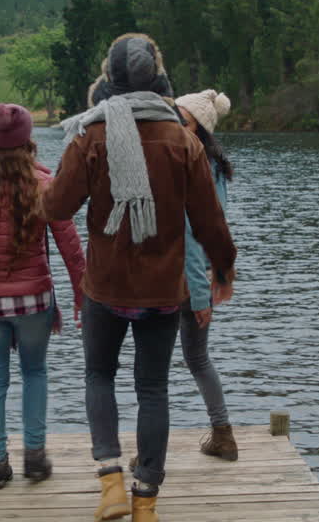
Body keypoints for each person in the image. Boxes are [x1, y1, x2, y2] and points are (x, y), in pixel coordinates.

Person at [44, 34, 237, 522]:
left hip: (106, 286)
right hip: (162, 290)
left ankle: (110, 482)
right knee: (152, 388)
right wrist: (223, 269)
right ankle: (145, 502)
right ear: (156, 78)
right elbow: (211, 221)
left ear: (110, 79)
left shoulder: (91, 136)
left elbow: (57, 207)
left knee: (98, 376)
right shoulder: (182, 139)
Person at [0, 103, 87, 490]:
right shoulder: (43, 184)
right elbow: (70, 247)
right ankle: (36, 457)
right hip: (34, 302)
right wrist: (81, 296)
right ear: (27, 140)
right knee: (35, 373)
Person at [172, 89, 238, 460]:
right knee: (198, 358)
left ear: (197, 125)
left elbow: (192, 235)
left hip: (182, 279)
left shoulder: (189, 165)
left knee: (156, 369)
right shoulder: (214, 166)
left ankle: (152, 451)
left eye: (181, 116)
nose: (174, 121)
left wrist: (200, 295)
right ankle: (223, 434)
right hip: (200, 276)